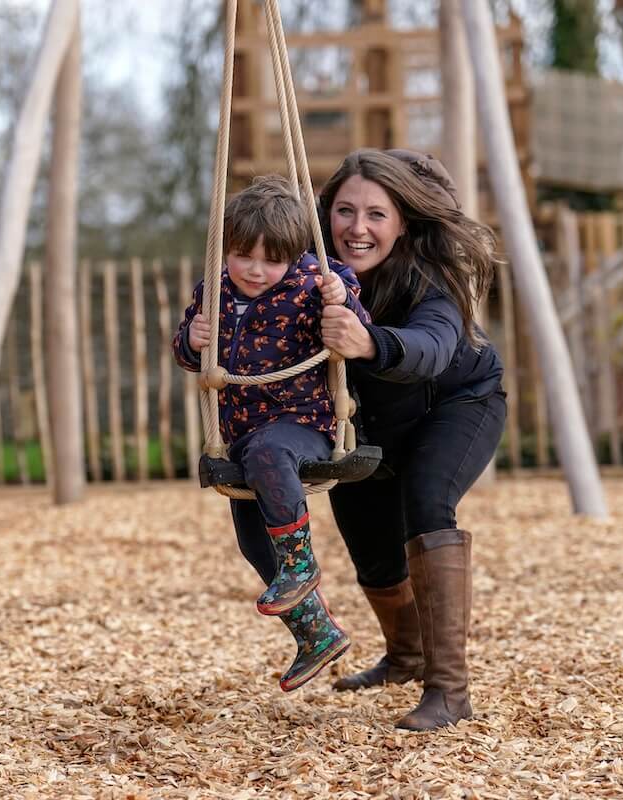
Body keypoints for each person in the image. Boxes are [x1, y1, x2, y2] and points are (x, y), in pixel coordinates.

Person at [231, 150, 506, 730]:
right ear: (326, 214)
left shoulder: (435, 277)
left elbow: (431, 349)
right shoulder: (305, 270)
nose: (358, 228)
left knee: (427, 503)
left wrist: (368, 342)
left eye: (377, 214)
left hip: (453, 402)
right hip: (364, 418)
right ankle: (404, 656)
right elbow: (243, 301)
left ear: (402, 222)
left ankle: (449, 691)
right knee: (369, 544)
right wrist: (205, 333)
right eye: (346, 211)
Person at [172, 174, 371, 692]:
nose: (256, 271)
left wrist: (341, 300)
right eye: (243, 256)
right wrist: (192, 342)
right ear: (227, 249)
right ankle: (315, 632)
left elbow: (356, 319)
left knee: (268, 452)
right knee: (252, 542)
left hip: (300, 424)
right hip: (239, 433)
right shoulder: (213, 289)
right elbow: (187, 352)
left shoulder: (315, 283)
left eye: (271, 261)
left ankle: (300, 561)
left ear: (294, 257)